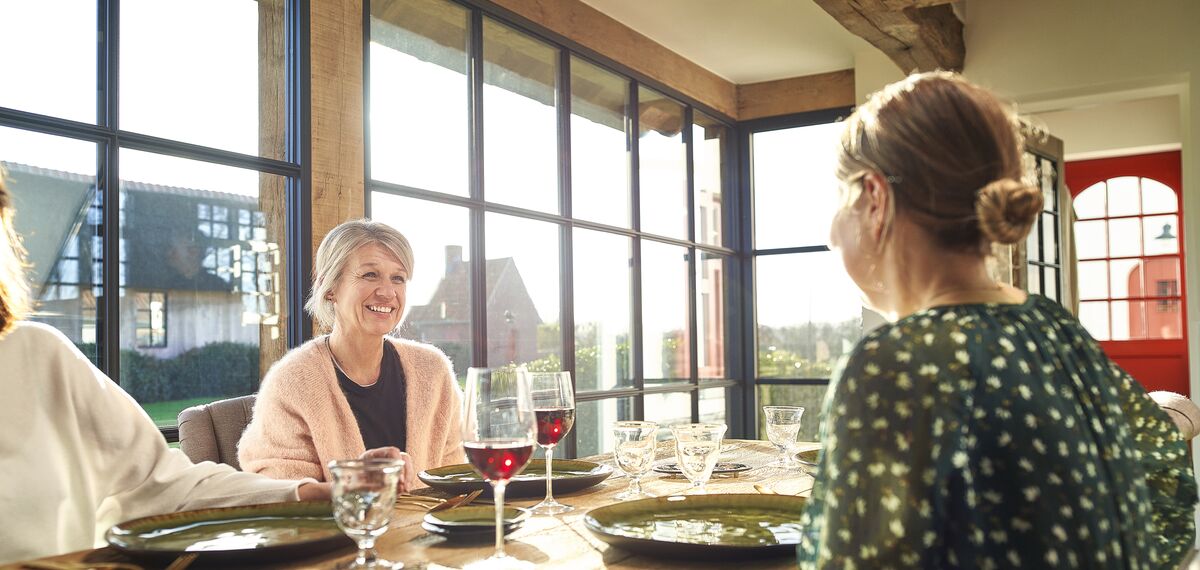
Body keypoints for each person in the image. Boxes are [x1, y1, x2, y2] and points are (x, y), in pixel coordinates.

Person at [798, 72, 1197, 569]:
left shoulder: (895, 364)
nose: (832, 230)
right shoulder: (1054, 326)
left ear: (875, 199)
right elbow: (1157, 466)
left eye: (842, 197)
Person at [0, 171, 359, 564]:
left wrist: (303, 494)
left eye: (399, 277)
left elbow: (163, 485)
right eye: (368, 274)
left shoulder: (36, 353)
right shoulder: (298, 374)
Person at [238, 219, 464, 486]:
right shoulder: (293, 381)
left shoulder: (433, 370)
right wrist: (354, 485)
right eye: (370, 275)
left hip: (427, 527)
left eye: (398, 278)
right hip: (337, 529)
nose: (387, 292)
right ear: (330, 287)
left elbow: (457, 476)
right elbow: (281, 494)